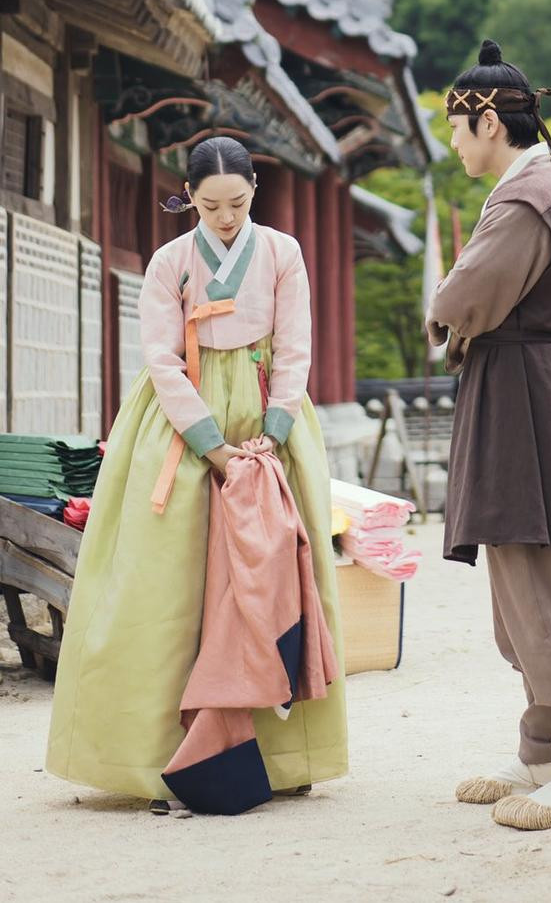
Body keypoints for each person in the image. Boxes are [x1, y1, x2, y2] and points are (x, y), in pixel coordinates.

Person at [46, 136, 347, 808]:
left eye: (237, 204)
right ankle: (154, 760)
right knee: (166, 591)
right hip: (182, 422)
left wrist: (272, 439)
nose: (226, 218)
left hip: (270, 414)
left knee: (277, 578)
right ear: (190, 198)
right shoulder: (169, 261)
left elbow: (295, 349)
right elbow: (160, 358)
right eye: (210, 207)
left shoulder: (282, 253)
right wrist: (212, 448)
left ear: (254, 191)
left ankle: (282, 757)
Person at [427, 39, 551, 832]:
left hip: (526, 398)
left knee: (546, 575)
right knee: (519, 575)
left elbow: (460, 298)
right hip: (519, 391)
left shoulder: (524, 198)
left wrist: (442, 300)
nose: (452, 143)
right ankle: (541, 751)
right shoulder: (531, 185)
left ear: (486, 119)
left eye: (456, 127)